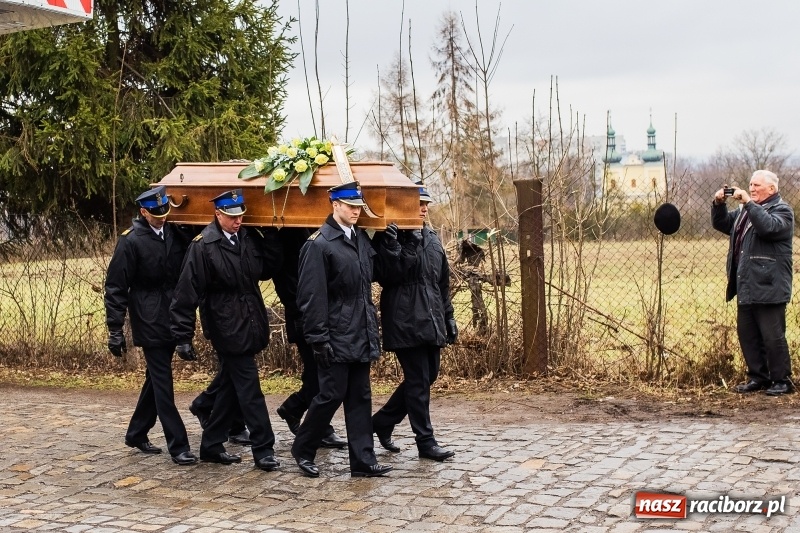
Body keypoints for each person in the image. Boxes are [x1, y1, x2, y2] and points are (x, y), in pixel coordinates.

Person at [170, 188, 284, 471]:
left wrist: (271, 235)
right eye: (232, 216)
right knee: (250, 389)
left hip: (251, 320)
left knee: (231, 387)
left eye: (241, 215)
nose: (238, 221)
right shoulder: (203, 246)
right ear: (217, 214)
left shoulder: (248, 238)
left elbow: (266, 269)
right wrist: (183, 336)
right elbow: (186, 293)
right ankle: (263, 449)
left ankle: (211, 445)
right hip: (226, 326)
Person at [290, 181, 397, 478]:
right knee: (330, 395)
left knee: (360, 396)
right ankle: (303, 448)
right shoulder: (318, 245)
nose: (355, 211)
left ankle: (363, 460)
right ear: (335, 204)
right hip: (335, 335)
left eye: (358, 206)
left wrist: (388, 245)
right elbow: (311, 297)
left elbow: (374, 277)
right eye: (350, 206)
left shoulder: (360, 239)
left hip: (361, 331)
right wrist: (318, 338)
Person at [104, 185, 198, 466]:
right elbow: (116, 287)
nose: (162, 218)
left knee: (155, 379)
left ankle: (136, 432)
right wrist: (115, 329)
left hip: (173, 314)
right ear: (143, 212)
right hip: (148, 317)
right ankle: (178, 445)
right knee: (163, 382)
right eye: (156, 214)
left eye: (165, 212)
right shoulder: (130, 241)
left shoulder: (174, 233)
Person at [372, 184, 457, 461]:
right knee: (418, 382)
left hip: (431, 318)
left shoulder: (431, 237)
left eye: (426, 204)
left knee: (427, 376)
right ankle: (426, 442)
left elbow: (441, 284)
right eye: (419, 204)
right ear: (405, 205)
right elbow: (386, 276)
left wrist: (449, 316)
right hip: (405, 319)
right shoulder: (390, 235)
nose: (424, 208)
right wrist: (396, 244)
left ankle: (382, 421)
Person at [712, 170, 794, 396]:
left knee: (772, 336)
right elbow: (722, 224)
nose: (751, 188)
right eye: (750, 184)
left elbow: (768, 227)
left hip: (769, 285)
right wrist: (718, 204)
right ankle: (758, 377)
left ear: (772, 189)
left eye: (757, 185)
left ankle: (782, 380)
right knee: (747, 335)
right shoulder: (745, 212)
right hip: (746, 283)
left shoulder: (782, 211)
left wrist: (748, 203)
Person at [273, 227, 347, 449]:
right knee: (320, 374)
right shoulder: (290, 235)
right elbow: (286, 280)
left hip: (320, 315)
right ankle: (317, 427)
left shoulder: (319, 230)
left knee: (317, 374)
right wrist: (303, 310)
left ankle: (294, 409)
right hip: (304, 316)